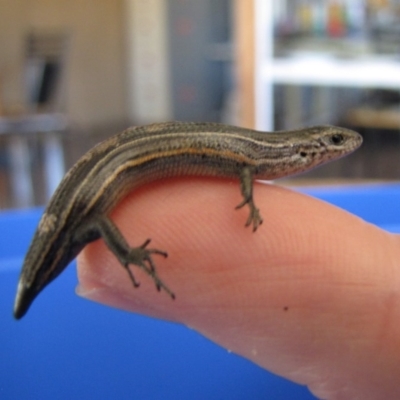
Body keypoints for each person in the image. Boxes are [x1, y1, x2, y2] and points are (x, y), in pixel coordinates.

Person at [76, 178, 400, 400]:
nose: (343, 146)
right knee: (91, 221)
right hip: (103, 185)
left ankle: (125, 253)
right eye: (334, 142)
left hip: (107, 181)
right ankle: (126, 254)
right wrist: (251, 202)